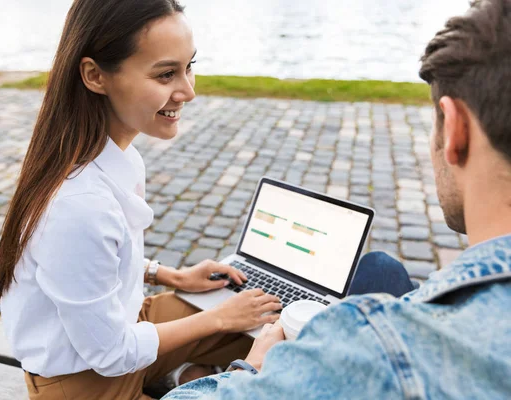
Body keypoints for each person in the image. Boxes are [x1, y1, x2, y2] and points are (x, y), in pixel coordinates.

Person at [163, 0, 511, 398]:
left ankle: (199, 371)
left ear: (454, 129)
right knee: (380, 267)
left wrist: (255, 367)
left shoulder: (373, 343)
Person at [0, 1, 284, 398]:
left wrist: (168, 275)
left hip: (123, 330)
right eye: (166, 74)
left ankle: (194, 374)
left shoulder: (114, 158)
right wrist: (219, 319)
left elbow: (88, 262)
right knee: (271, 370)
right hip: (84, 383)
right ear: (95, 76)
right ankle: (205, 377)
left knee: (281, 320)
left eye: (188, 66)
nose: (188, 91)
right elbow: (110, 352)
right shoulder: (79, 204)